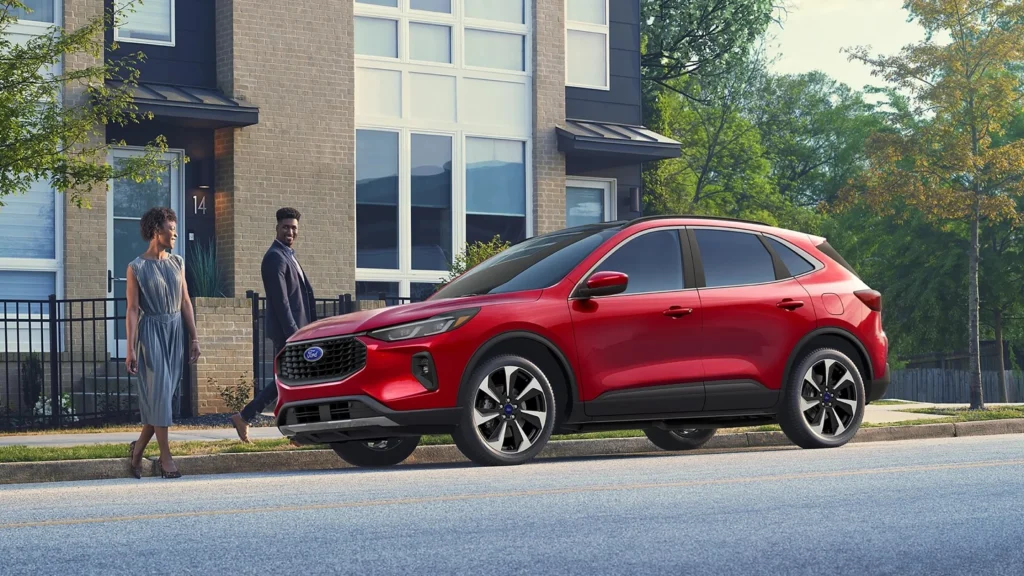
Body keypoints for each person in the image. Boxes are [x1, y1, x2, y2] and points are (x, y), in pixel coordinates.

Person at [125, 207, 201, 479]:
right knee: (160, 396)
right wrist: (130, 347)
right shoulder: (137, 267)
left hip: (175, 332)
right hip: (151, 334)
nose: (175, 234)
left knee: (162, 399)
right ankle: (165, 458)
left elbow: (185, 302)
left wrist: (194, 337)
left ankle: (137, 452)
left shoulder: (177, 262)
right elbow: (133, 309)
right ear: (156, 230)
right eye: (171, 229)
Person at [230, 207, 315, 442]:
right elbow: (281, 302)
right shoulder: (274, 257)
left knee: (289, 381)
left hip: (298, 330)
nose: (290, 231)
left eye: (294, 228)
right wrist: (293, 334)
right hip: (288, 332)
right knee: (288, 381)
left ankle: (248, 417)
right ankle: (290, 431)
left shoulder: (288, 255)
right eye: (286, 227)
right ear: (277, 228)